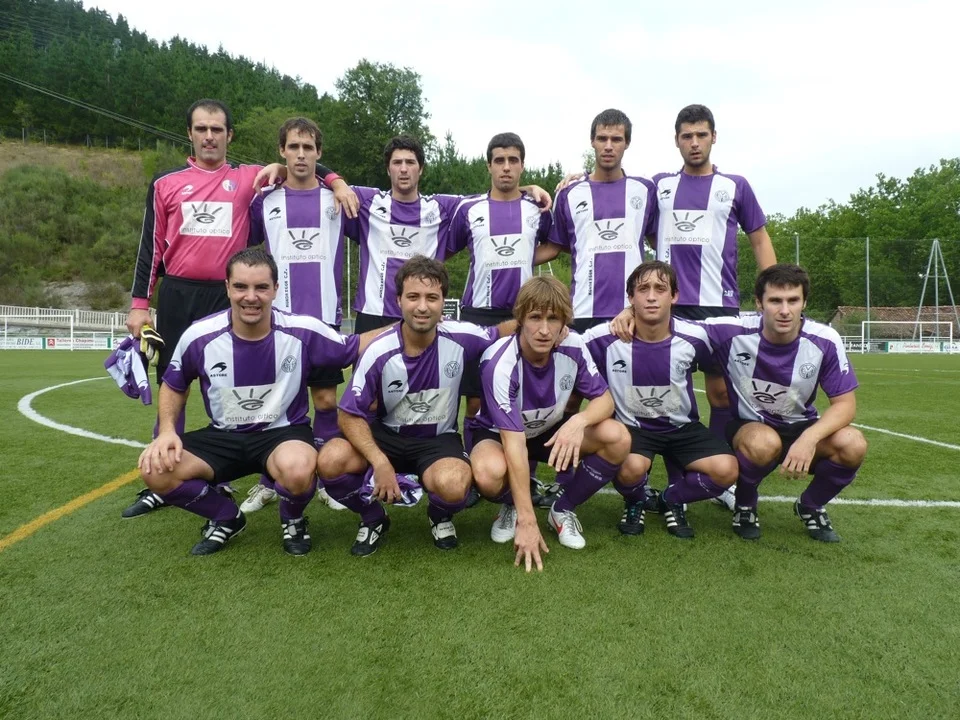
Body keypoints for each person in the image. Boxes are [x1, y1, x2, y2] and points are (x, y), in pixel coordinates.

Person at [122, 99, 353, 519]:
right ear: (190, 133)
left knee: (265, 389)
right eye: (201, 129)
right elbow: (150, 247)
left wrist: (334, 179)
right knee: (175, 382)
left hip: (231, 294)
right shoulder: (166, 183)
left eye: (217, 129)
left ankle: (273, 472)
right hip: (178, 292)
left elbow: (299, 165)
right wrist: (141, 304)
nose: (209, 136)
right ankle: (168, 468)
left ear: (230, 135)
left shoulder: (250, 180)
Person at [135, 247, 367, 556]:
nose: (251, 297)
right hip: (223, 436)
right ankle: (226, 517)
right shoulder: (199, 336)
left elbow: (356, 345)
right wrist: (166, 431)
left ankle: (292, 518)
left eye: (261, 287)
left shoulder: (301, 330)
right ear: (227, 287)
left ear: (275, 289)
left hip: (283, 434)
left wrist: (411, 326)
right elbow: (174, 385)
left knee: (299, 469)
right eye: (241, 286)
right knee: (156, 470)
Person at [316, 256, 512, 556]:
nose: (422, 306)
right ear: (399, 301)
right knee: (331, 460)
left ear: (443, 302)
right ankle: (373, 517)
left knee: (454, 484)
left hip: (438, 439)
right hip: (386, 436)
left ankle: (439, 515)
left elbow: (503, 331)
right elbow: (348, 414)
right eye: (413, 297)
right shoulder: (379, 349)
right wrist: (380, 462)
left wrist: (552, 324)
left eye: (432, 297)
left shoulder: (462, 337)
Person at [647, 104, 777, 510]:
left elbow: (759, 238)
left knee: (721, 394)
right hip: (672, 310)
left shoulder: (735, 186)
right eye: (687, 135)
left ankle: (716, 478)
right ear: (676, 140)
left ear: (713, 137)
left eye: (701, 134)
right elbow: (626, 208)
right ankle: (679, 483)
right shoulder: (659, 186)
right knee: (671, 397)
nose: (694, 142)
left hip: (720, 309)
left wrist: (772, 291)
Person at [469, 276, 629, 569]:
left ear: (564, 322)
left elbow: (605, 401)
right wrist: (528, 522)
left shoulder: (574, 345)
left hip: (547, 429)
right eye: (535, 317)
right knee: (488, 473)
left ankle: (562, 509)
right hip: (498, 434)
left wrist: (578, 421)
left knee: (617, 437)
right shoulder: (500, 363)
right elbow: (514, 445)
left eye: (553, 319)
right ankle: (512, 505)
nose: (544, 330)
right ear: (520, 318)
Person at [704, 264, 867, 542]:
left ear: (804, 302)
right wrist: (630, 313)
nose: (784, 310)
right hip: (750, 428)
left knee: (854, 444)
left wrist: (809, 439)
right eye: (775, 301)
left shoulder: (825, 339)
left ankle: (811, 505)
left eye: (793, 300)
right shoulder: (731, 330)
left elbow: (845, 405)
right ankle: (745, 504)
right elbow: (670, 325)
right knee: (763, 442)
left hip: (801, 426)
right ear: (759, 303)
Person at [241, 117, 350, 513]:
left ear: (319, 153)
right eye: (293, 147)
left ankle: (327, 481)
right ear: (281, 151)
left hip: (323, 322)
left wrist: (336, 180)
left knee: (325, 400)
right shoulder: (264, 201)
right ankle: (268, 480)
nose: (301, 154)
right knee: (274, 404)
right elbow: (247, 251)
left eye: (308, 148)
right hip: (275, 323)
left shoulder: (339, 199)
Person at [584, 261, 738, 539]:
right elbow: (567, 345)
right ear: (631, 298)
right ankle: (635, 500)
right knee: (630, 469)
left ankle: (671, 498)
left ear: (674, 295)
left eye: (660, 288)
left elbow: (727, 348)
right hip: (633, 430)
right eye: (643, 289)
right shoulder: (605, 338)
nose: (652, 296)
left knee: (727, 470)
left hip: (682, 428)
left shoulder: (696, 336)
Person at [345, 135, 551, 334]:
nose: (404, 169)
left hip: (423, 313)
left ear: (421, 168)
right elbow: (328, 184)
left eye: (410, 162)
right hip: (374, 312)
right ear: (388, 169)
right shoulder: (367, 201)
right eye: (397, 162)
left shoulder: (443, 206)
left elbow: (494, 198)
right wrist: (336, 182)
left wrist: (526, 189)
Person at [445, 132, 555, 502]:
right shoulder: (469, 209)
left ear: (522, 165)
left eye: (513, 160)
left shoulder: (535, 209)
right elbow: (448, 248)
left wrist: (523, 258)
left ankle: (527, 476)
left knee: (522, 399)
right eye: (499, 160)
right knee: (475, 400)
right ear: (489, 165)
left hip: (522, 315)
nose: (506, 167)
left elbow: (555, 245)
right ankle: (472, 466)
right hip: (477, 315)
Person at [537, 108, 657, 334]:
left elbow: (659, 242)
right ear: (592, 141)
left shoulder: (645, 190)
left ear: (627, 143)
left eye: (616, 139)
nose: (608, 146)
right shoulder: (569, 193)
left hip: (632, 311)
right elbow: (559, 246)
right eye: (602, 138)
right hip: (583, 311)